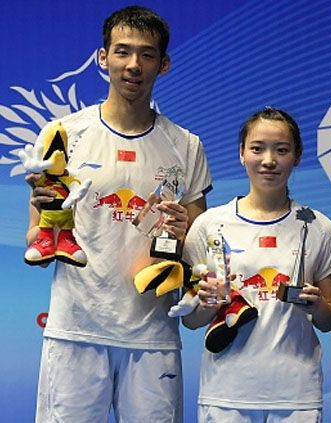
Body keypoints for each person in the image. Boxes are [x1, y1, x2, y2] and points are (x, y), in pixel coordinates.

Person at [26, 6, 212, 422]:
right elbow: (33, 238)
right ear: (102, 57)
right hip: (75, 330)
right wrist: (44, 216)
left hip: (153, 335)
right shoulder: (63, 135)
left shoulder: (186, 145)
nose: (133, 65)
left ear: (163, 64)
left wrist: (186, 234)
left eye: (146, 55)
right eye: (123, 51)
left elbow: (200, 247)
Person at [182, 107, 331, 423]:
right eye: (257, 149)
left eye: (281, 150)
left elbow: (329, 320)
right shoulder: (209, 225)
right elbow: (191, 321)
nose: (269, 160)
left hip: (297, 394)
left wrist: (317, 304)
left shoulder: (319, 227)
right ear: (241, 154)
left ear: (297, 157)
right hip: (226, 392)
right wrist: (207, 301)